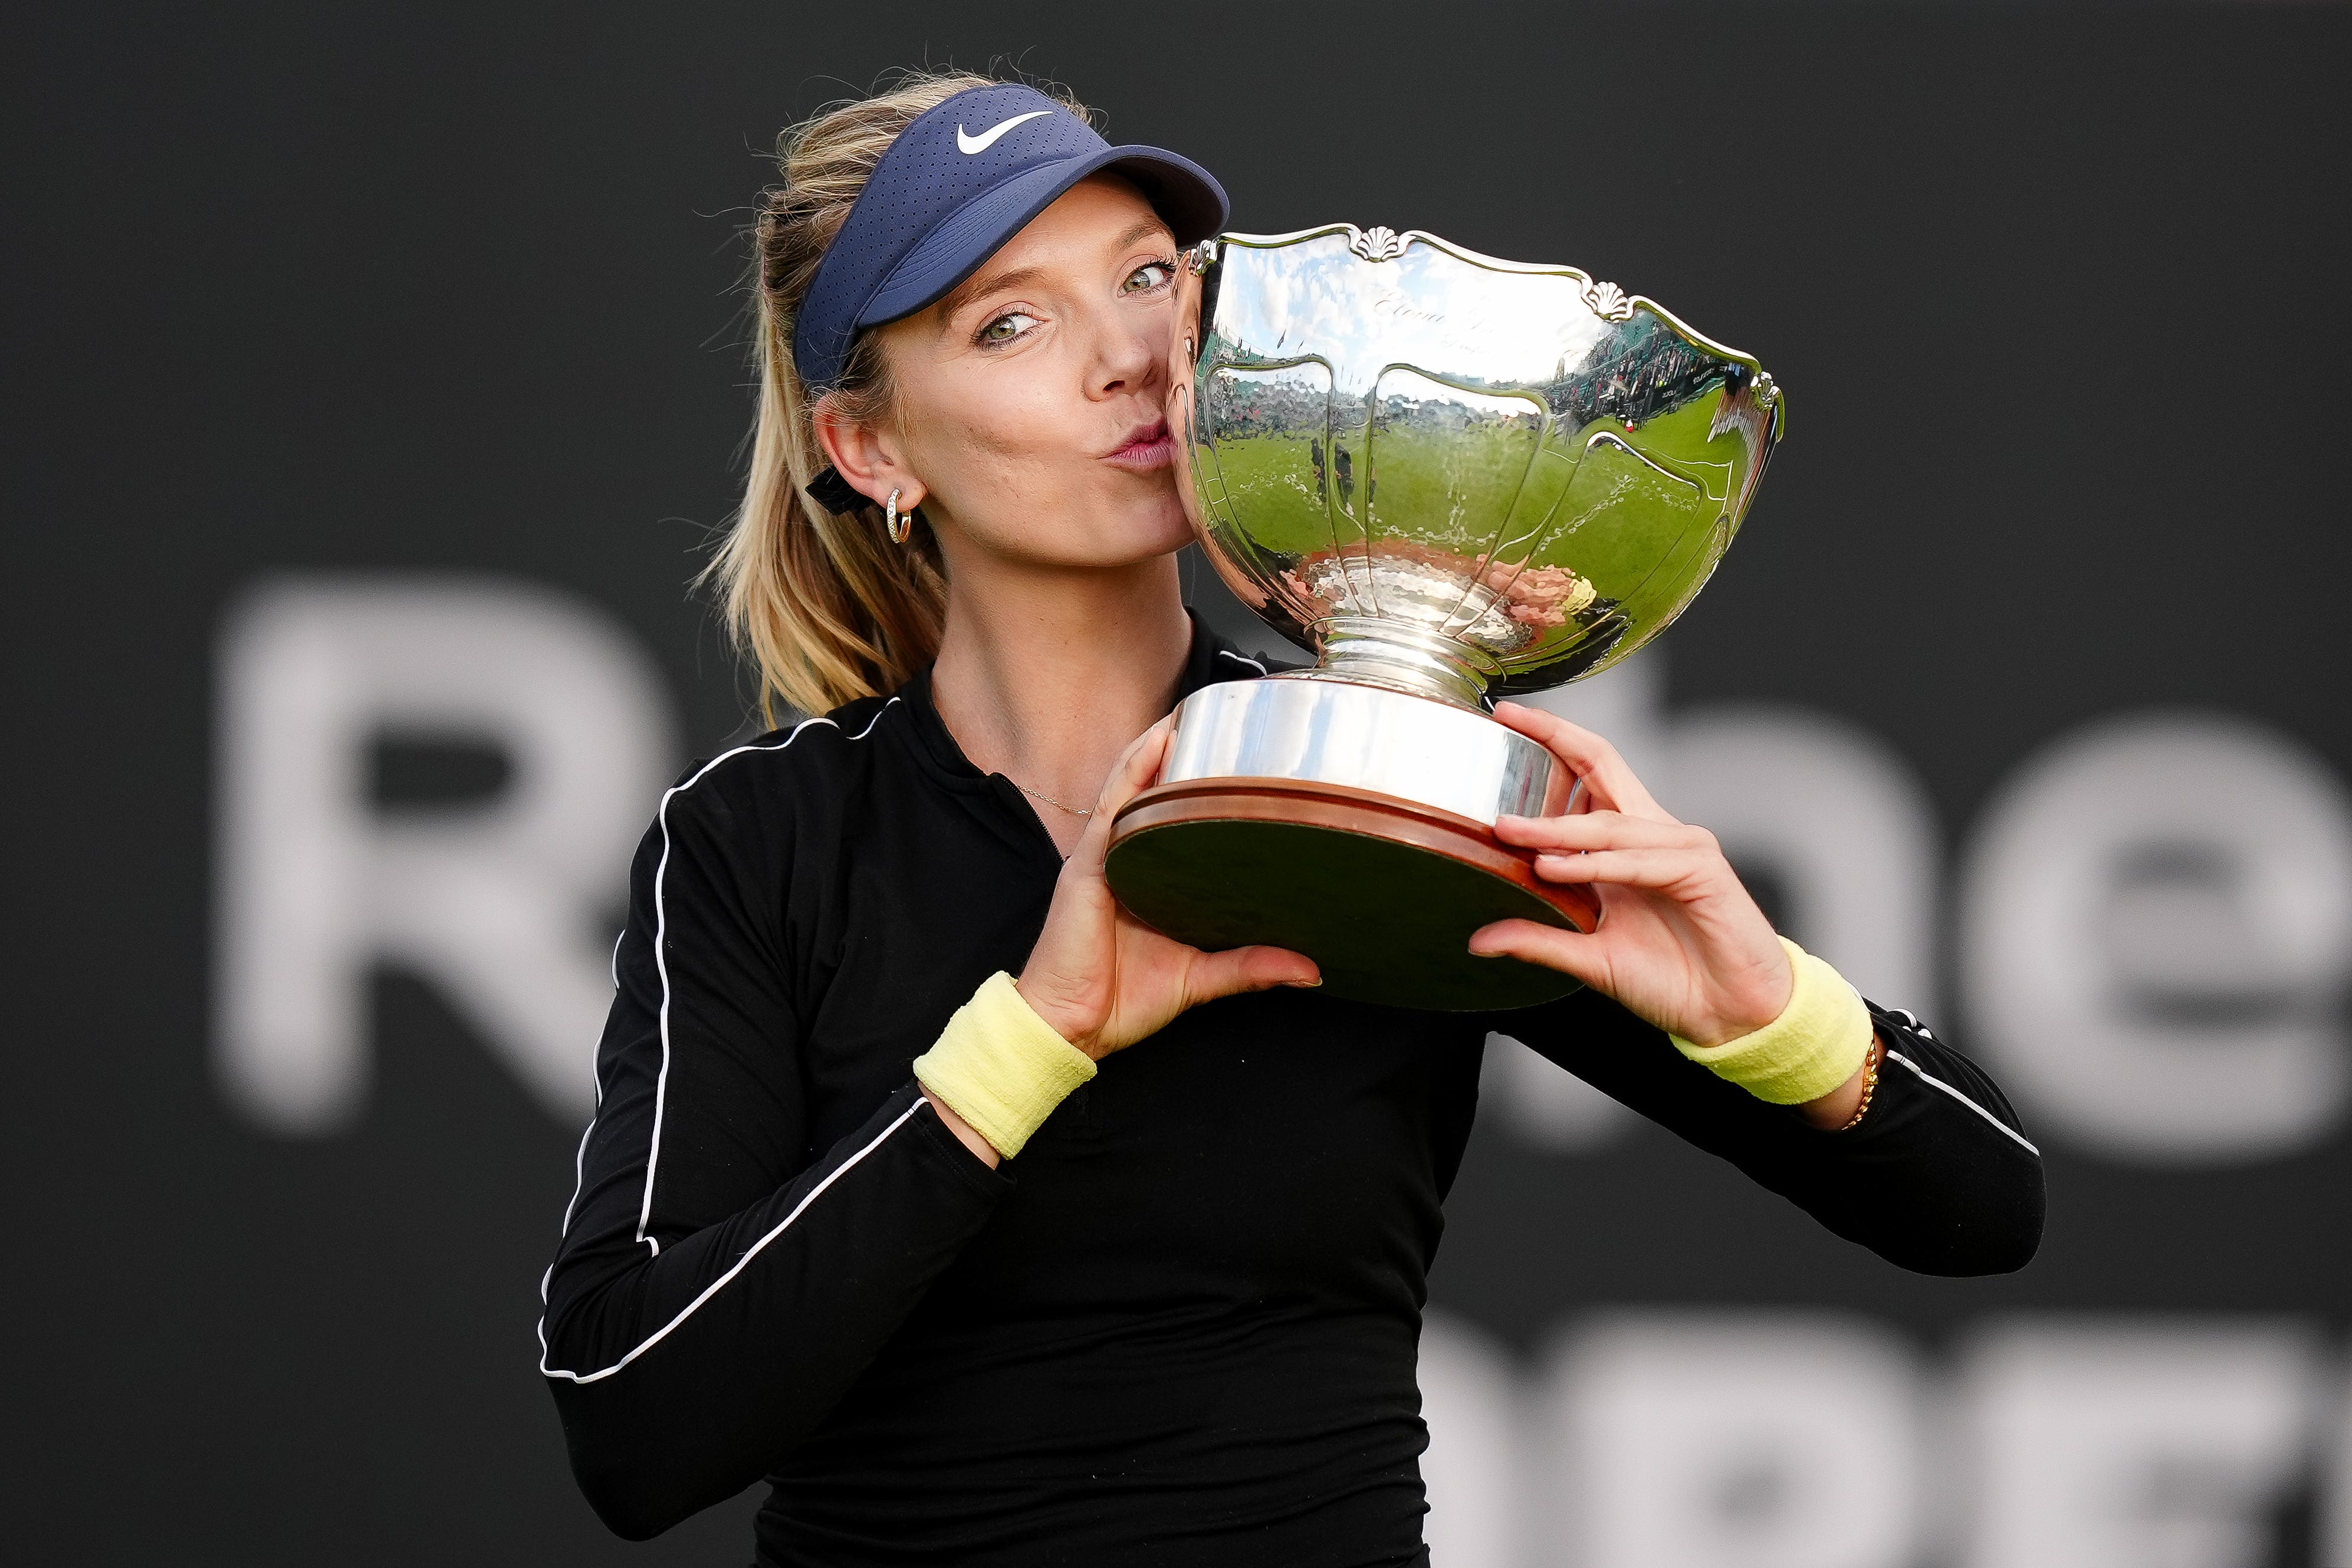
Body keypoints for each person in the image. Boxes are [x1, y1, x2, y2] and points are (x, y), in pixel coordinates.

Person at [537, 70, 2044, 1567]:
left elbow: (1978, 1201)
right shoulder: (765, 838)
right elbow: (631, 1420)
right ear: (872, 451)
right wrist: (1030, 1042)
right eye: (1010, 321)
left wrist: (1761, 1004)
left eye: (1144, 279)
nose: (1126, 357)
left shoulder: (1375, 775)